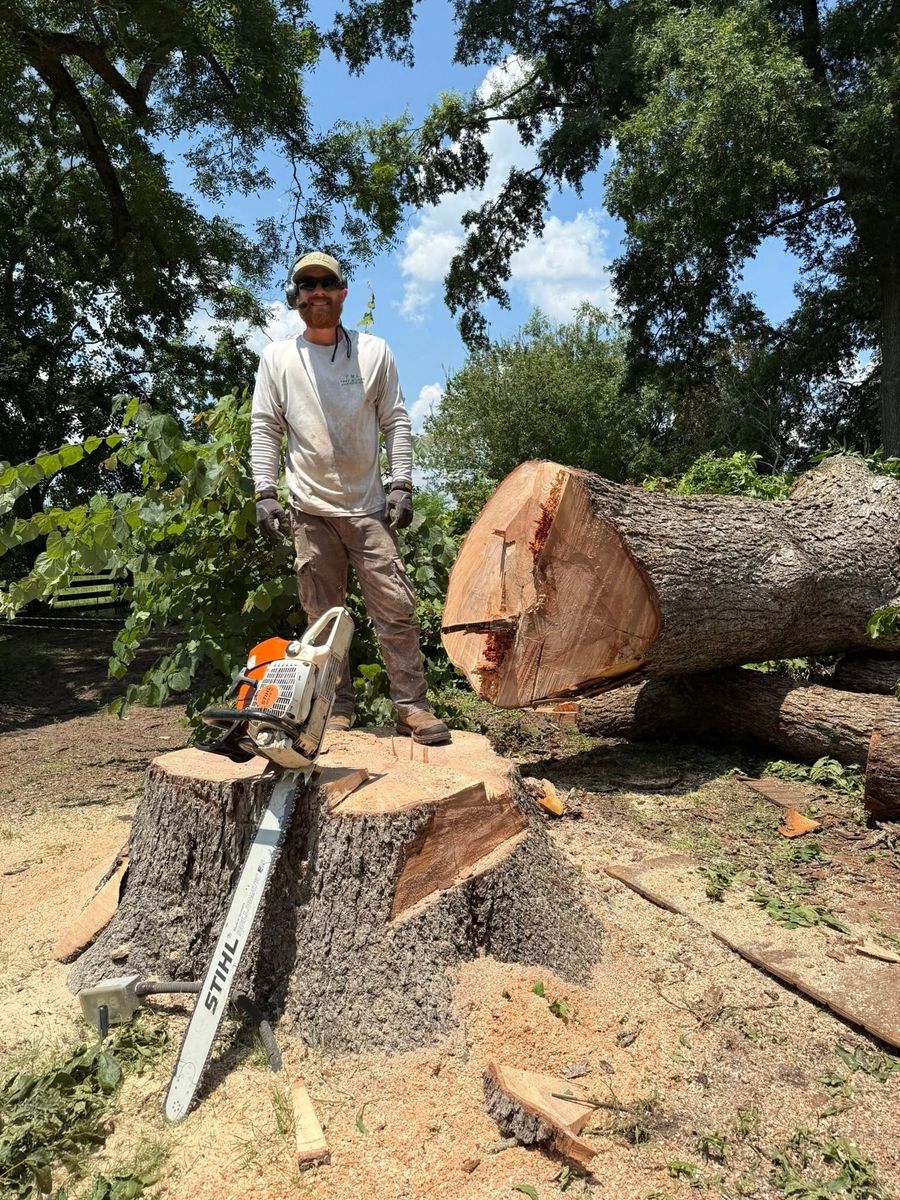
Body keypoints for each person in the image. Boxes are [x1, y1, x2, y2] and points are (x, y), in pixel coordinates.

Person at [250, 250, 451, 745]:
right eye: (307, 284)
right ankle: (334, 709)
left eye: (327, 283)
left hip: (368, 507)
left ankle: (412, 707)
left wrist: (401, 484)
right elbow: (265, 427)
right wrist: (265, 493)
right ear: (295, 297)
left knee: (395, 607)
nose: (317, 292)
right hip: (310, 510)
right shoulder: (277, 358)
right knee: (321, 619)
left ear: (342, 293)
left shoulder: (374, 352)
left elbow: (396, 421)